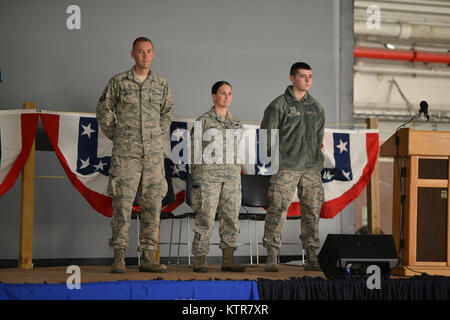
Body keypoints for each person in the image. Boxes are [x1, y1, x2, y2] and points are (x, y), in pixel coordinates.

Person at [96, 37, 174, 273]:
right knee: (122, 205)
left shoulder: (161, 84)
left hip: (152, 156)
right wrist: (118, 134)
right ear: (132, 54)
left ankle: (148, 256)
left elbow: (167, 113)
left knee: (152, 205)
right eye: (140, 52)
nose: (145, 56)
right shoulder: (119, 81)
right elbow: (103, 109)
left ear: (154, 54)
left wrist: (154, 133)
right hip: (125, 156)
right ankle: (119, 255)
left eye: (149, 51)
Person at [260, 62, 325, 272]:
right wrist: (279, 161)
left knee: (312, 212)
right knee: (278, 209)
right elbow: (266, 138)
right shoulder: (278, 105)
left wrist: (314, 162)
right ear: (292, 78)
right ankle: (271, 254)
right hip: (286, 168)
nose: (307, 80)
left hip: (311, 169)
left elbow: (318, 137)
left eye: (310, 76)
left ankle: (312, 255)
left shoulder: (316, 107)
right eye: (303, 76)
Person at [189, 81, 245, 273]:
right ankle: (200, 258)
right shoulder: (203, 121)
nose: (227, 97)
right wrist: (197, 180)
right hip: (208, 178)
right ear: (213, 96)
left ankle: (228, 259)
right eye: (223, 93)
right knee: (205, 217)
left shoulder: (236, 122)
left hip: (231, 178)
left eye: (230, 93)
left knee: (231, 217)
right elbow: (194, 153)